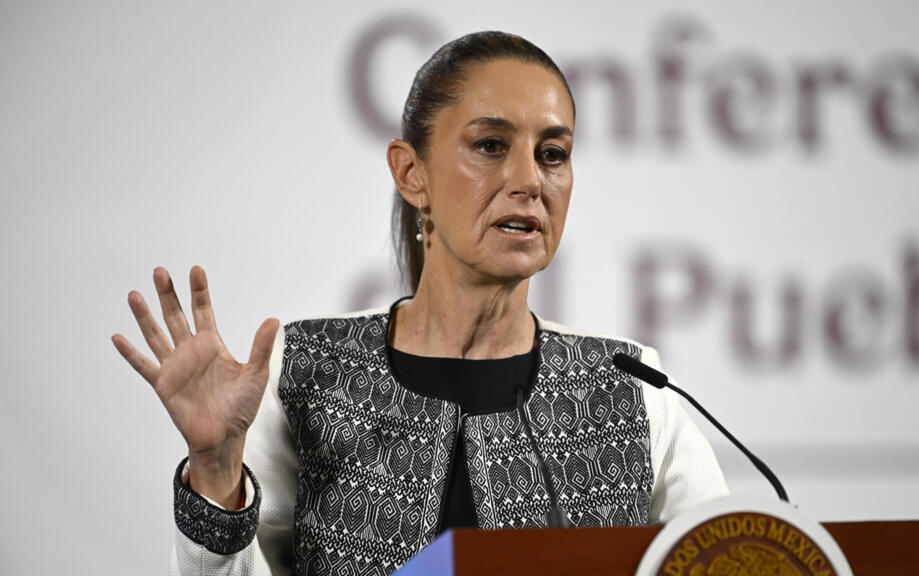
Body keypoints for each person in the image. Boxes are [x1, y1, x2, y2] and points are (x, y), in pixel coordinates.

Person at [112, 31, 727, 576]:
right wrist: (216, 475)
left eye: (553, 154)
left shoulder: (633, 390)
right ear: (412, 175)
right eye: (490, 145)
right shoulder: (305, 372)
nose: (531, 180)